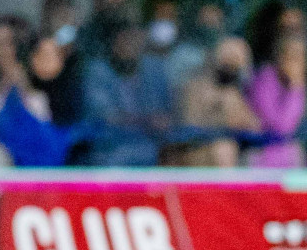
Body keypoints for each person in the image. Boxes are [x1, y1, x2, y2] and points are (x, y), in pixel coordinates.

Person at [81, 20, 172, 166]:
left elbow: (167, 114)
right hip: (109, 152)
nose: (130, 45)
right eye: (124, 39)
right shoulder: (97, 71)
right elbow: (105, 118)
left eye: (134, 39)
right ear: (112, 43)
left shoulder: (153, 69)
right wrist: (147, 121)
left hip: (153, 150)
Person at [179, 36, 260, 167]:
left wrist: (245, 123)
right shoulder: (195, 87)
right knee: (223, 148)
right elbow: (190, 125)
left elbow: (253, 123)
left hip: (235, 154)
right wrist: (224, 122)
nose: (232, 68)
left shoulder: (238, 90)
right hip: (199, 155)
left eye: (236, 64)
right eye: (228, 62)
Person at [246, 32, 307, 168]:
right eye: (289, 54)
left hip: (292, 152)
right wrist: (295, 87)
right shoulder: (265, 78)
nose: (294, 59)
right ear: (279, 55)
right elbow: (281, 127)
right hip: (264, 151)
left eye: (299, 55)